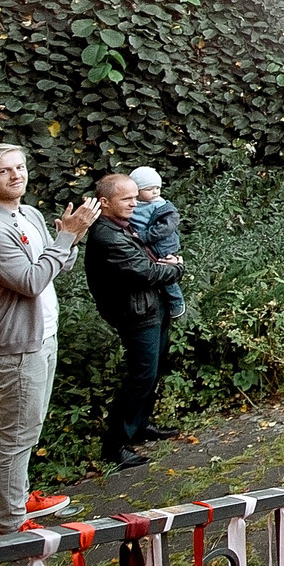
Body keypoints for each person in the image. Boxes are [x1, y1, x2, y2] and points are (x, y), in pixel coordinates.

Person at [0, 143, 97, 529]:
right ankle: (10, 522)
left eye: (19, 167)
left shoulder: (30, 214)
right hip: (15, 347)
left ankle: (20, 499)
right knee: (17, 436)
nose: (16, 175)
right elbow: (31, 281)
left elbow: (58, 265)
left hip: (42, 336)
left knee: (29, 427)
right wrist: (67, 237)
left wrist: (72, 236)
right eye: (4, 171)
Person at [87, 171, 186, 468]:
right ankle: (115, 445)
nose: (134, 203)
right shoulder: (107, 235)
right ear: (104, 202)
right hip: (136, 314)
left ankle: (140, 425)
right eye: (126, 199)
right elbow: (146, 272)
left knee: (152, 372)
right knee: (140, 376)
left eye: (135, 196)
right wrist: (176, 268)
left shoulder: (122, 225)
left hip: (149, 307)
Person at [129, 165, 185, 319]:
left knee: (165, 272)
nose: (155, 192)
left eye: (157, 188)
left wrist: (145, 236)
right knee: (151, 274)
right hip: (146, 246)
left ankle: (176, 302)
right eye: (149, 189)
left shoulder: (161, 206)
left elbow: (167, 228)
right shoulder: (134, 204)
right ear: (137, 191)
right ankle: (160, 301)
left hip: (163, 245)